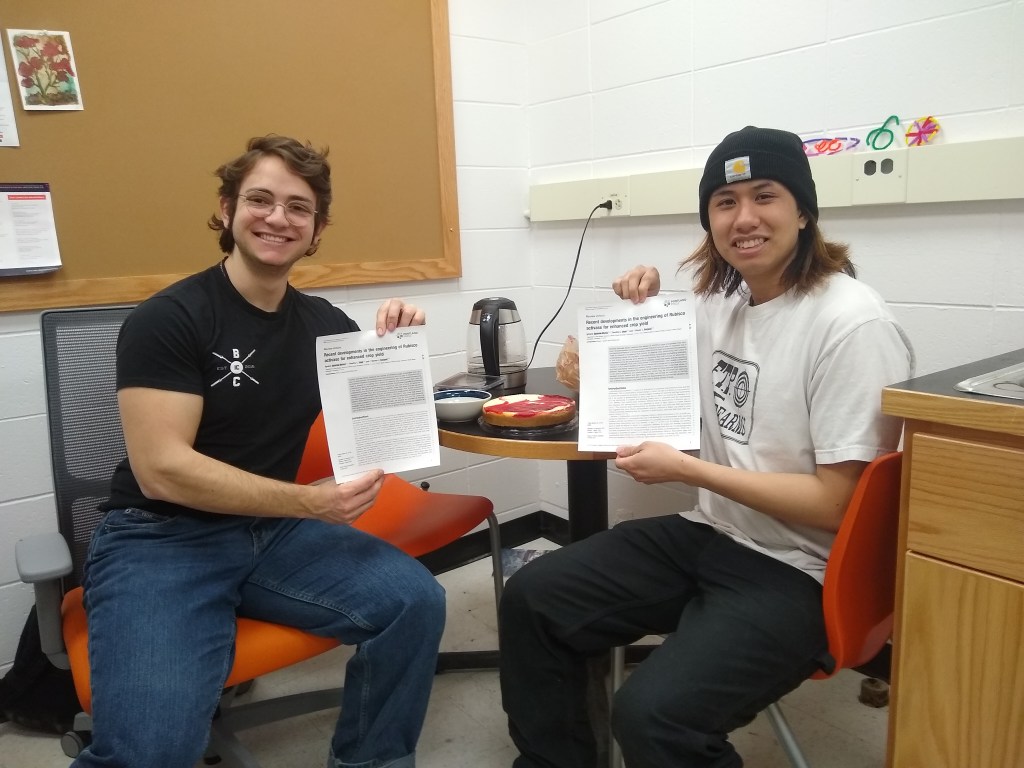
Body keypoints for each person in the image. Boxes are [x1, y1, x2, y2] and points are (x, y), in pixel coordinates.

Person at [499, 125, 915, 768]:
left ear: (803, 212)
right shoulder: (719, 303)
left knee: (653, 716)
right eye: (725, 202)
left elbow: (837, 504)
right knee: (532, 596)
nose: (744, 217)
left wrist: (689, 471)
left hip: (804, 571)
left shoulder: (851, 323)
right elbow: (650, 384)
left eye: (765, 196)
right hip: (713, 533)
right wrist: (616, 331)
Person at [75, 135, 445, 768]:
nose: (279, 218)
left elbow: (383, 429)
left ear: (317, 230)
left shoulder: (327, 326)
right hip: (162, 537)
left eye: (299, 207)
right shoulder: (170, 318)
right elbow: (161, 471)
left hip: (273, 530)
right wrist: (307, 503)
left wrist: (399, 346)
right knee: (151, 752)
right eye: (260, 199)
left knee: (414, 603)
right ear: (227, 209)